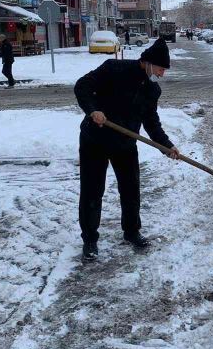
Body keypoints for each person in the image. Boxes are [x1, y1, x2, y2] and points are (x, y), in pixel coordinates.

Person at [74, 38, 180, 261]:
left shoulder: (152, 90)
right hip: (96, 140)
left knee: (131, 189)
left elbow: (151, 122)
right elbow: (82, 86)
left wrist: (167, 146)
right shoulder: (114, 69)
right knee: (93, 190)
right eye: (161, 69)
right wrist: (93, 110)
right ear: (149, 63)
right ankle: (90, 239)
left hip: (125, 144)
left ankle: (132, 232)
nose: (162, 74)